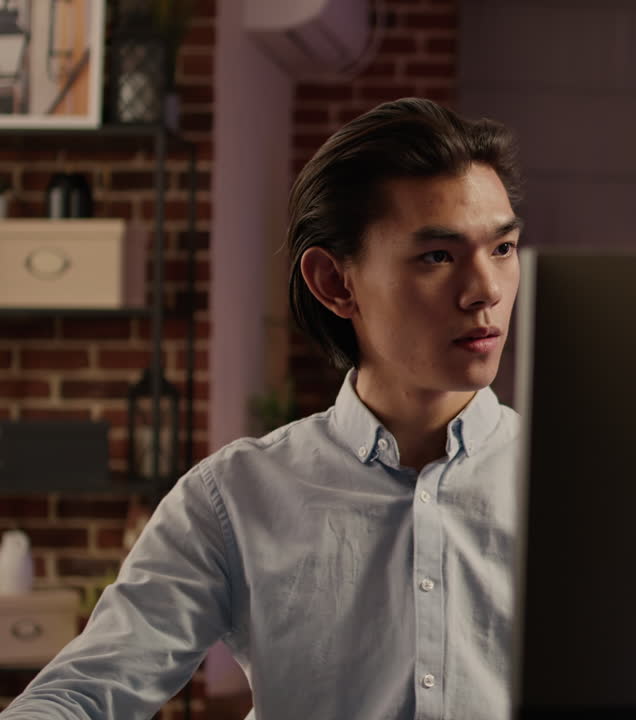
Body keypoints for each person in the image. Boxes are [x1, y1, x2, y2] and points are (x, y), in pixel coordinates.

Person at [1, 97, 525, 719]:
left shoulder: (585, 486)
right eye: (438, 256)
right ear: (335, 282)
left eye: (502, 248)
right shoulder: (234, 497)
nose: (486, 291)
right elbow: (82, 694)